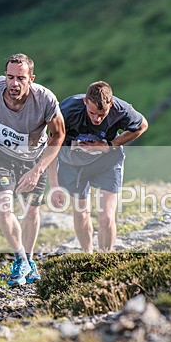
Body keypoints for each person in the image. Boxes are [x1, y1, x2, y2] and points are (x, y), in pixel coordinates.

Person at [0, 53, 65, 286]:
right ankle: (20, 258)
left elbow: (59, 134)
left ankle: (30, 259)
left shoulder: (45, 100)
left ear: (31, 79)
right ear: (5, 76)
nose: (14, 83)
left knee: (31, 210)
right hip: (1, 154)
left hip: (34, 158)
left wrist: (37, 170)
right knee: (4, 206)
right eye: (10, 77)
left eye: (21, 78)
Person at [48, 81, 148, 252]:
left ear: (111, 104)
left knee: (107, 217)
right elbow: (51, 145)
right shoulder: (68, 110)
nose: (97, 119)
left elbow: (142, 126)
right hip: (73, 164)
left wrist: (111, 144)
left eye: (102, 115)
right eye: (92, 113)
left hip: (107, 162)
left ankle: (104, 257)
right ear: (85, 102)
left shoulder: (121, 110)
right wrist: (54, 184)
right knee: (81, 213)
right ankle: (88, 255)